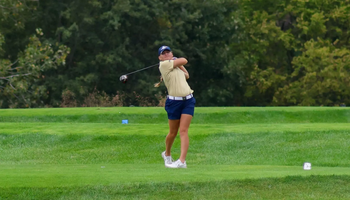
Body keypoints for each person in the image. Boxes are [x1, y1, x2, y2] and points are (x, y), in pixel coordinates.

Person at [156, 45, 195, 168]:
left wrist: (176, 63)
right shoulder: (164, 65)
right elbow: (184, 60)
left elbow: (187, 75)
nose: (167, 54)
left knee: (183, 131)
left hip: (188, 100)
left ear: (172, 54)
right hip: (174, 103)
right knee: (173, 132)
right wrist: (175, 60)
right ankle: (167, 154)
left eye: (168, 52)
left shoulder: (175, 65)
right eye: (164, 53)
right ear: (160, 57)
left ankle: (182, 161)